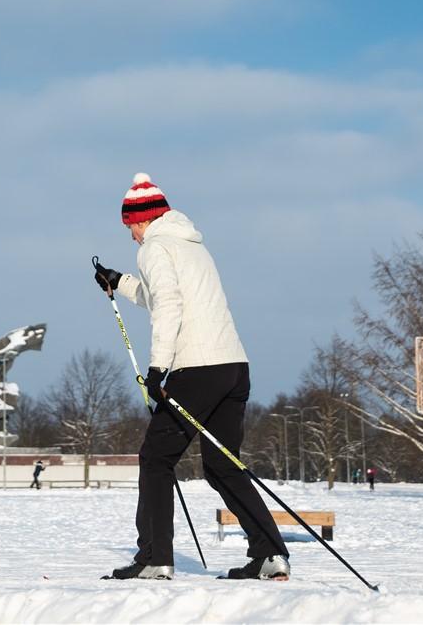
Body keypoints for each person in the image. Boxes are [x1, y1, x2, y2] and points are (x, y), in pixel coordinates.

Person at [94, 174, 290, 582]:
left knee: (155, 458)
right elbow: (162, 295)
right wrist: (120, 282)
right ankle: (270, 555)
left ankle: (154, 558)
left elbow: (168, 304)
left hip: (195, 368)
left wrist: (157, 367)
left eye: (129, 226)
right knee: (224, 466)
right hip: (233, 368)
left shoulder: (154, 247)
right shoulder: (190, 245)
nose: (130, 236)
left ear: (143, 220)